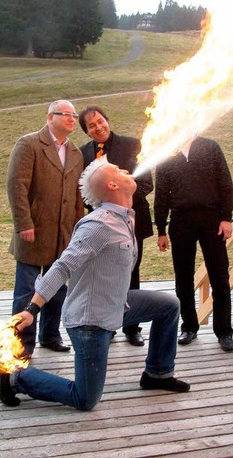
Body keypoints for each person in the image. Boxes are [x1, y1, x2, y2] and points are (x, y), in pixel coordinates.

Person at [0, 157, 190, 410]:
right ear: (111, 185)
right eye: (118, 169)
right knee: (85, 399)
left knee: (169, 305)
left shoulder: (125, 217)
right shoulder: (98, 225)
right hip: (90, 322)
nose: (126, 170)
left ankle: (157, 374)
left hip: (118, 306)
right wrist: (32, 310)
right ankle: (16, 376)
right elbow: (63, 266)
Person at [6, 100, 85, 355]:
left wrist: (77, 229)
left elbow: (76, 196)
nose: (72, 119)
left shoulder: (75, 152)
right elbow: (16, 186)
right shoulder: (28, 144)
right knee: (26, 292)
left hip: (63, 235)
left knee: (58, 289)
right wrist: (23, 223)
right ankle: (21, 347)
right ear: (50, 117)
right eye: (66, 115)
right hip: (33, 232)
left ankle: (50, 336)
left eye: (74, 115)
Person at [78, 105, 154, 347]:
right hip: (101, 225)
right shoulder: (83, 154)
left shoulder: (131, 144)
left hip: (132, 221)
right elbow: (83, 191)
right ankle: (106, 325)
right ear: (87, 132)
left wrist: (124, 202)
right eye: (92, 125)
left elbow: (146, 183)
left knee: (130, 273)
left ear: (107, 120)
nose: (99, 127)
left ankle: (132, 326)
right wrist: (102, 210)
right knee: (104, 274)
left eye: (101, 121)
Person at [154, 136, 233, 352]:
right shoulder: (167, 151)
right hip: (181, 222)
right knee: (183, 278)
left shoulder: (211, 147)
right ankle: (189, 326)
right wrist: (161, 230)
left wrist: (226, 217)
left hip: (212, 219)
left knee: (219, 276)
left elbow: (225, 183)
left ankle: (224, 331)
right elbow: (161, 193)